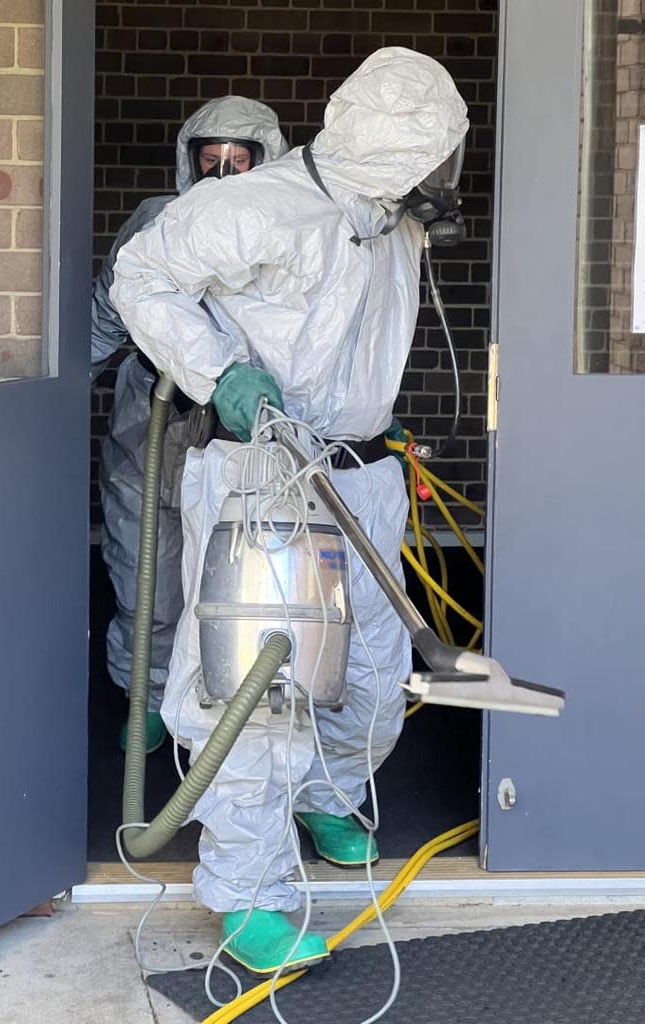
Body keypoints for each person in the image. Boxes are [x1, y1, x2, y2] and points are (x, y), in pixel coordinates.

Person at [110, 48, 469, 973]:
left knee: (377, 675)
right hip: (262, 477)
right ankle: (249, 892)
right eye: (437, 157)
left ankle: (327, 790)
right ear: (400, 149)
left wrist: (375, 431)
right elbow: (141, 275)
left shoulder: (396, 222)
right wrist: (219, 372)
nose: (445, 178)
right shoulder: (251, 205)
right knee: (254, 692)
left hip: (361, 475)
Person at [91, 97, 289, 753]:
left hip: (244, 435)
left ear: (268, 161)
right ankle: (145, 697)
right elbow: (109, 309)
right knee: (146, 569)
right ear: (189, 163)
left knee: (248, 580)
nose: (226, 175)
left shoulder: (290, 227)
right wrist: (50, 391)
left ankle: (242, 716)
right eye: (212, 162)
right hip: (154, 425)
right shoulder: (159, 220)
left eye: (241, 161)